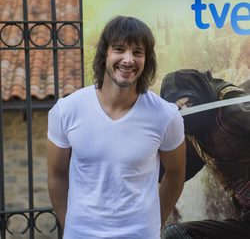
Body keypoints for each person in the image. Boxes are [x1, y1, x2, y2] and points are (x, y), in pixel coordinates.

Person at [47, 16, 186, 239]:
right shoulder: (67, 110)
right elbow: (56, 175)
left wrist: (151, 226)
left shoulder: (166, 116)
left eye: (137, 52)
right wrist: (72, 227)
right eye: (119, 49)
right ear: (105, 54)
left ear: (146, 59)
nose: (128, 60)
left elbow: (176, 174)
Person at [160, 69, 250, 239]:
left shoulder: (232, 108)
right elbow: (175, 171)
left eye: (190, 103)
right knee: (175, 234)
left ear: (201, 95)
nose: (186, 111)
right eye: (179, 108)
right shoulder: (194, 131)